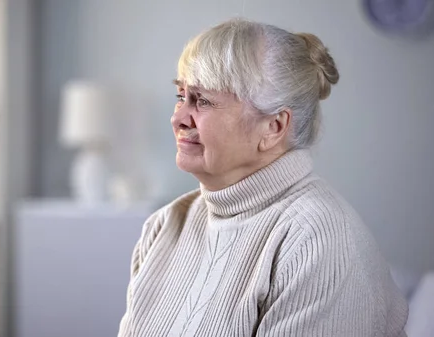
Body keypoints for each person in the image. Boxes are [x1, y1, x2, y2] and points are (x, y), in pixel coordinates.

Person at [118, 18, 408, 337]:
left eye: (202, 100)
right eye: (181, 96)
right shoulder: (164, 227)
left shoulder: (317, 242)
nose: (178, 118)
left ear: (273, 127)